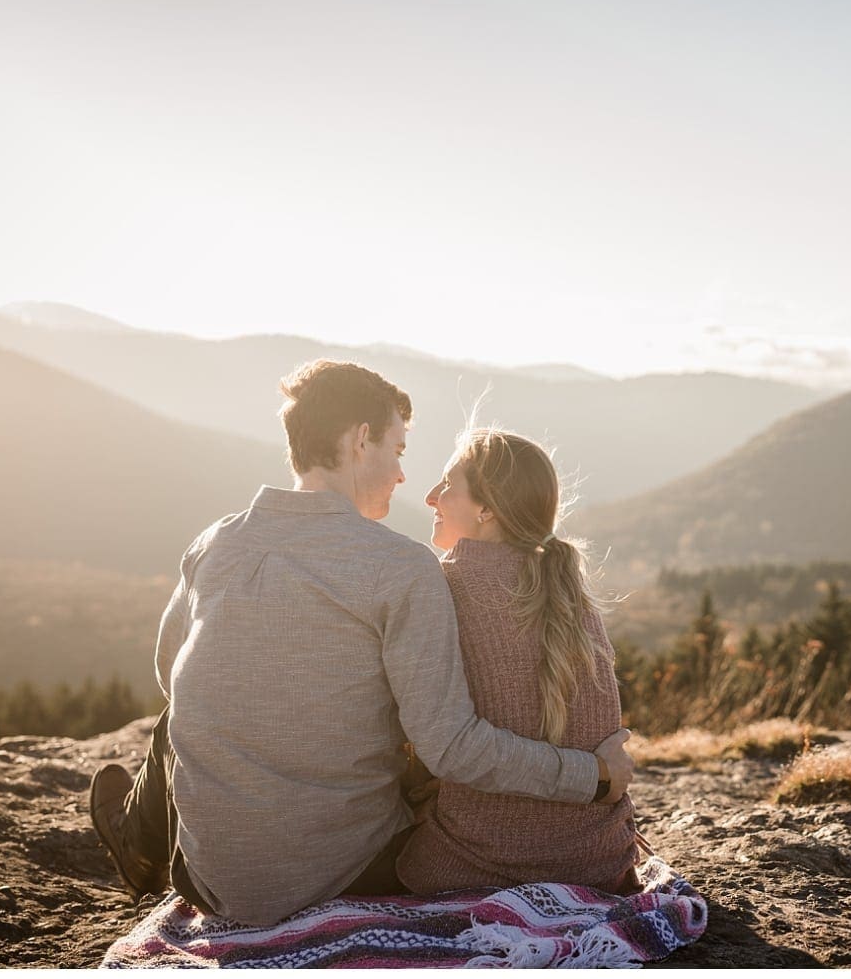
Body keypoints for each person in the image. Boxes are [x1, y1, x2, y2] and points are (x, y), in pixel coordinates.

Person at [87, 360, 633, 927]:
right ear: (360, 439)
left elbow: (168, 674)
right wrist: (589, 774)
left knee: (183, 711)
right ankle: (140, 842)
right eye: (397, 451)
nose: (402, 477)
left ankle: (138, 845)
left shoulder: (214, 541)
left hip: (210, 879)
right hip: (347, 874)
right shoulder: (401, 566)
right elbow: (449, 746)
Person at [397, 428, 640, 896]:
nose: (430, 496)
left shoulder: (440, 587)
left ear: (486, 509)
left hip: (471, 866)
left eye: (447, 484)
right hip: (599, 865)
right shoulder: (569, 587)